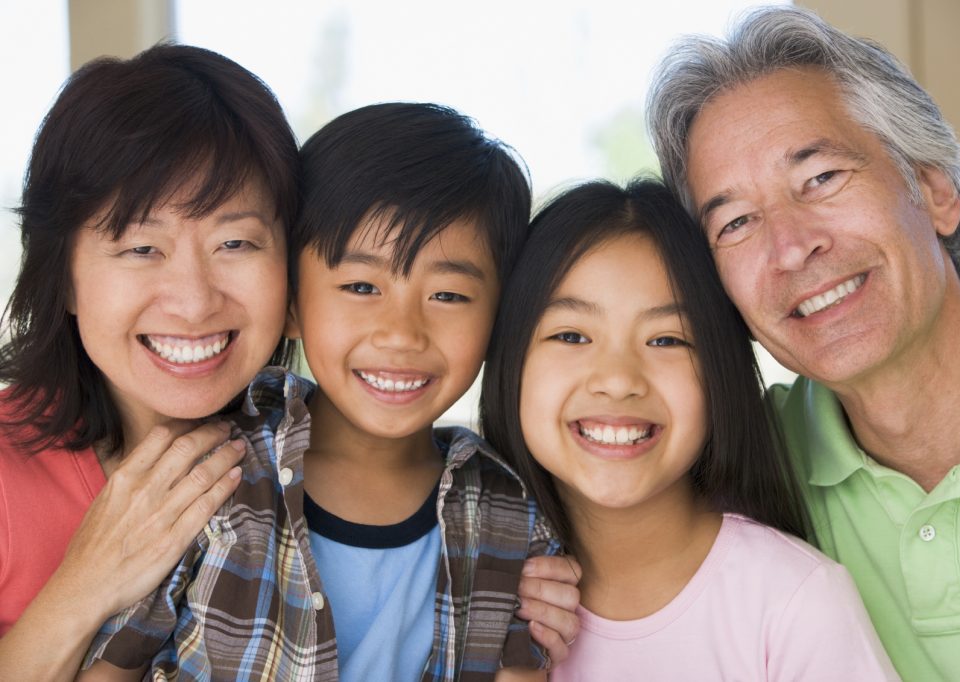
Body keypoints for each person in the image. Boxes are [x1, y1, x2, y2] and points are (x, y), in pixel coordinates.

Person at [82, 102, 580, 681]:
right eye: (361, 285)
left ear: (499, 320)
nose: (401, 333)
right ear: (290, 304)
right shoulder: (212, 475)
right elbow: (111, 669)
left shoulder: (510, 514)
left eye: (448, 295)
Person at [647, 5, 960, 680]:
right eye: (735, 222)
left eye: (820, 178)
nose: (790, 248)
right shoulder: (742, 465)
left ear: (935, 190)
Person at [479, 178, 898, 680]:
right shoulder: (468, 590)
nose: (617, 380)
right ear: (510, 363)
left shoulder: (793, 601)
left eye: (666, 340)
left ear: (722, 371)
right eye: (571, 335)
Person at [0, 43, 301, 681]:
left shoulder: (314, 455)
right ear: (64, 276)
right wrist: (85, 584)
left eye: (236, 242)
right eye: (141, 247)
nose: (193, 302)